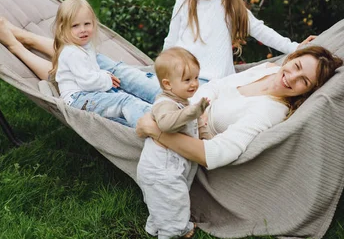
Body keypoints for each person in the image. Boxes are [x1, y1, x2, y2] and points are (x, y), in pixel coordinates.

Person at [136, 46, 343, 171]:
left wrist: (156, 131)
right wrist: (200, 109)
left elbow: (216, 154)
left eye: (303, 81)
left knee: (114, 97)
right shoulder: (270, 70)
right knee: (128, 76)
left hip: (179, 128)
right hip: (184, 102)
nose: (291, 77)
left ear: (307, 91)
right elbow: (215, 85)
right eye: (296, 67)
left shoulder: (270, 111)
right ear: (291, 58)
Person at [0, 0, 160, 127]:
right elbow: (87, 80)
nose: (83, 30)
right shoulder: (74, 53)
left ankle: (23, 41)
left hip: (83, 87)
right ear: (63, 29)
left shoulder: (81, 48)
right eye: (75, 26)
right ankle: (17, 45)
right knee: (116, 87)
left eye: (87, 24)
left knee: (91, 70)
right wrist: (105, 78)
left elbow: (86, 73)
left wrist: (103, 77)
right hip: (79, 96)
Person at [163, 0, 316, 83]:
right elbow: (171, 41)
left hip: (208, 81)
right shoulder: (183, 2)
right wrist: (161, 68)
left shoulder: (228, 6)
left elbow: (261, 31)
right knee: (138, 80)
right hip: (177, 75)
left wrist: (295, 48)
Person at [136, 47, 209, 239]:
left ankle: (155, 225)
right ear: (168, 84)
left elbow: (199, 128)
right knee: (173, 200)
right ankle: (175, 232)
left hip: (170, 168)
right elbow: (166, 124)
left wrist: (209, 141)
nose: (194, 84)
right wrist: (194, 112)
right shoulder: (165, 104)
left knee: (164, 202)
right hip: (161, 169)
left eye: (196, 77)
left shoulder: (184, 102)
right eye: (187, 80)